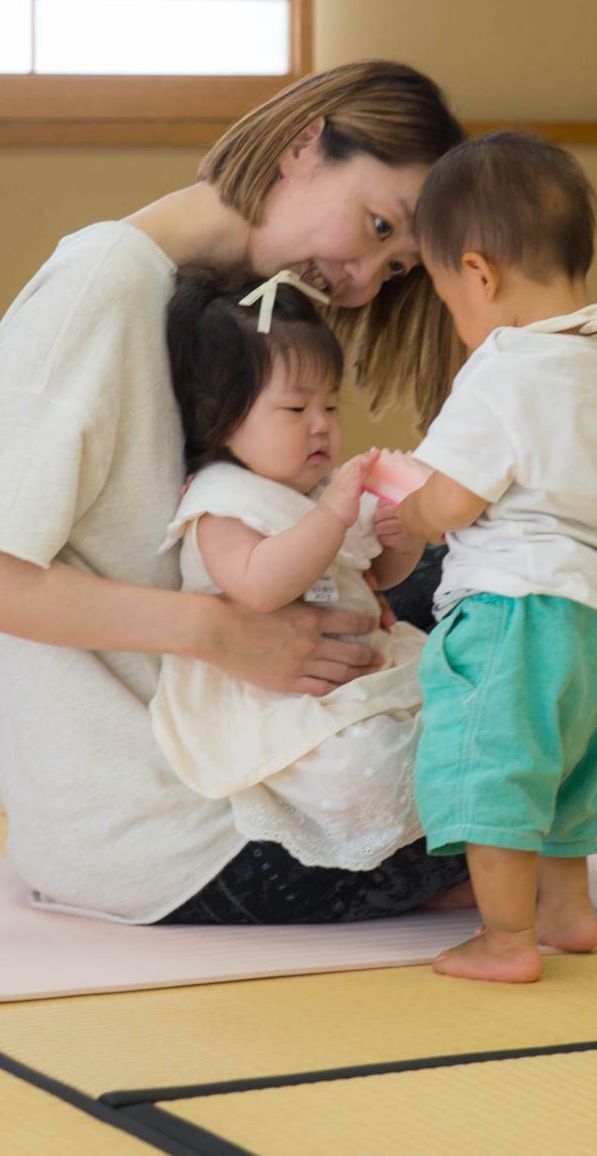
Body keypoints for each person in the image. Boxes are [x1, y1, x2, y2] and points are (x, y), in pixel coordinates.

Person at [0, 63, 597, 927]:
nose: (356, 280)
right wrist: (223, 634)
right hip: (170, 826)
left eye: (392, 269)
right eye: (377, 225)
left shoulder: (230, 307)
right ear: (308, 141)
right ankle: (486, 861)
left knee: (510, 602)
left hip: (236, 727)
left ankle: (477, 852)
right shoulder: (102, 287)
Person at [394, 131, 597, 982]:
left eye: (447, 297)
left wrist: (406, 501)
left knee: (493, 763)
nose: (457, 318)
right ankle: (567, 911)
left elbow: (450, 502)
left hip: (511, 606)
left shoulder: (503, 369)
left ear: (479, 274)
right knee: (575, 766)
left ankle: (505, 940)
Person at [148, 266, 424, 872]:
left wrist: (401, 538)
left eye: (330, 403)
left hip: (354, 670)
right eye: (295, 407)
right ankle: (409, 857)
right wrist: (330, 517)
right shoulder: (222, 502)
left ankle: (448, 848)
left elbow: (378, 578)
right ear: (222, 418)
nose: (321, 423)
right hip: (277, 701)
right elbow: (261, 584)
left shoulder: (320, 488)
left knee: (447, 721)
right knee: (362, 771)